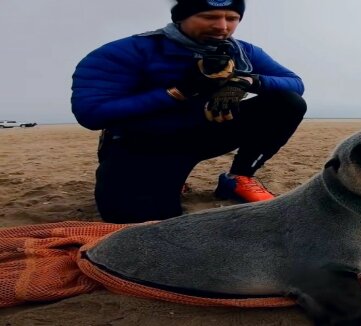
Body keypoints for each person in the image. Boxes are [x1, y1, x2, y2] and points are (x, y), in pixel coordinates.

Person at [71, 0, 306, 223]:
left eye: (232, 18)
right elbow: (91, 113)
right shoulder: (128, 51)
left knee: (287, 102)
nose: (222, 26)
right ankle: (167, 179)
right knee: (142, 223)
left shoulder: (242, 51)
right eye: (208, 16)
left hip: (203, 133)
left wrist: (245, 81)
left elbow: (294, 82)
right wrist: (180, 90)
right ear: (181, 17)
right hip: (144, 143)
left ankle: (239, 177)